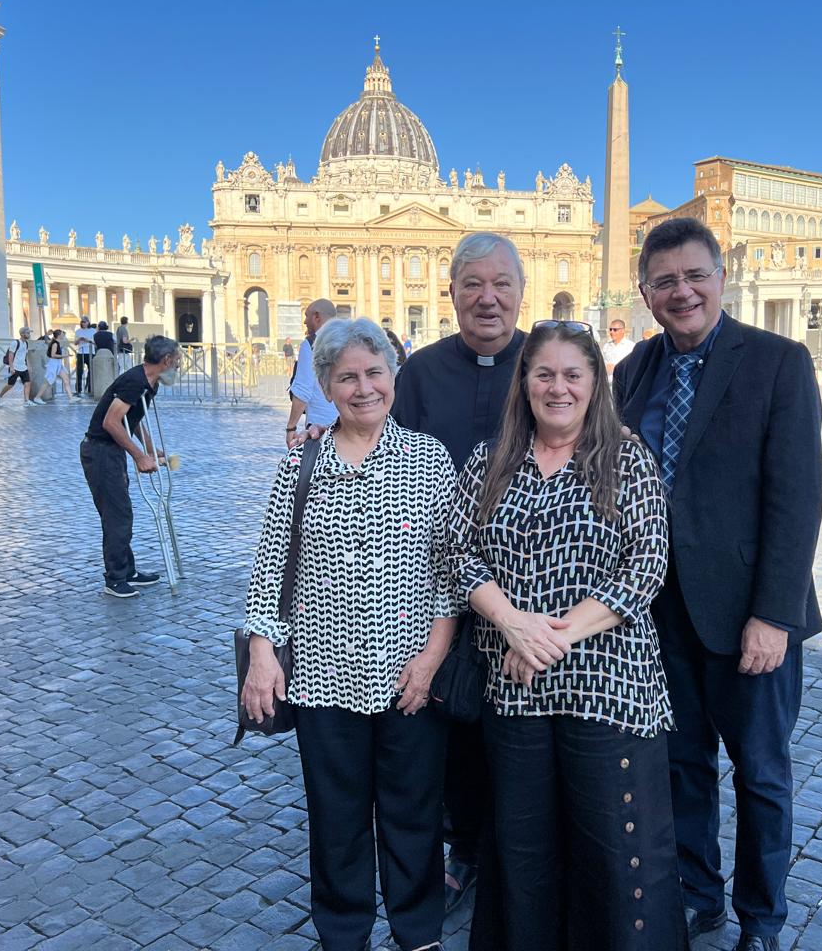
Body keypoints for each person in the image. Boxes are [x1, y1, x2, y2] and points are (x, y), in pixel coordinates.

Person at [613, 218, 822, 951]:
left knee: (761, 773)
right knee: (681, 764)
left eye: (695, 275)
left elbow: (796, 499)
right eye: (665, 281)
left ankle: (762, 919)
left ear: (720, 277)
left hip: (747, 614)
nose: (683, 291)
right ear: (646, 292)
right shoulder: (633, 370)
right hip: (659, 611)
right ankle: (698, 894)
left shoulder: (778, 361)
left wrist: (774, 614)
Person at [447, 320, 686, 951]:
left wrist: (548, 639)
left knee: (616, 853)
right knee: (525, 854)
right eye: (544, 374)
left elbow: (646, 566)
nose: (558, 388)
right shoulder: (490, 460)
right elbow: (459, 552)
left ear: (593, 382)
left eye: (572, 375)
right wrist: (511, 624)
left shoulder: (625, 457)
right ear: (523, 383)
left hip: (609, 687)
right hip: (515, 690)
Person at [242, 318, 457, 951]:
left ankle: (418, 931)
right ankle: (343, 933)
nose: (363, 388)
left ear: (393, 376)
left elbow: (452, 575)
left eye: (374, 373)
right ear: (328, 387)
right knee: (336, 819)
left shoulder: (429, 458)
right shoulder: (302, 461)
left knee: (414, 815)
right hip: (320, 674)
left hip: (408, 675)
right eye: (347, 378)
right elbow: (271, 563)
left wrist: (432, 659)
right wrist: (261, 652)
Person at [391, 231, 528, 921]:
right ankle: (462, 847)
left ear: (521, 293)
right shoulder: (419, 374)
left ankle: (520, 850)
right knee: (450, 724)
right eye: (473, 284)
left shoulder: (546, 364)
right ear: (451, 293)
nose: (488, 298)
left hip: (528, 586)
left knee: (520, 725)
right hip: (436, 583)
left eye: (501, 283)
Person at [79, 335, 181, 598]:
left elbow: (131, 419)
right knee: (117, 514)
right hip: (100, 451)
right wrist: (139, 456)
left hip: (111, 450)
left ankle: (128, 571)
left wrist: (148, 447)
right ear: (166, 360)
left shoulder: (150, 383)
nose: (179, 365)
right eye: (177, 359)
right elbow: (112, 423)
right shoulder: (135, 382)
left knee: (121, 511)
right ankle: (114, 579)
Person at [286, 300, 340, 448]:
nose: (305, 321)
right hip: (347, 427)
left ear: (317, 317)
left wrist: (291, 427)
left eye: (307, 316)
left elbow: (303, 389)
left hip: (318, 427)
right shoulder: (348, 340)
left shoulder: (311, 344)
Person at [0, 327, 37, 405]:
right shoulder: (15, 343)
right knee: (10, 385)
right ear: (22, 334)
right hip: (15, 367)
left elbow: (25, 355)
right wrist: (11, 367)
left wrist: (28, 365)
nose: (29, 334)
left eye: (29, 333)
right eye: (27, 333)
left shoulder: (26, 343)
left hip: (23, 367)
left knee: (27, 383)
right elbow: (10, 355)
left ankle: (27, 401)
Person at [36, 329, 73, 404]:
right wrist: (65, 355)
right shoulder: (55, 344)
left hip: (58, 364)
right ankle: (37, 397)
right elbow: (53, 355)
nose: (63, 335)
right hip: (53, 364)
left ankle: (71, 398)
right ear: (59, 335)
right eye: (62, 334)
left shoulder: (56, 343)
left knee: (66, 379)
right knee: (47, 382)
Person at [75, 317, 97, 396]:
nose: (83, 323)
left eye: (85, 322)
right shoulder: (78, 331)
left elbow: (95, 342)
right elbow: (75, 343)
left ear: (88, 322)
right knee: (79, 371)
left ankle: (90, 389)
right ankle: (78, 389)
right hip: (81, 352)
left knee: (91, 371)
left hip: (90, 352)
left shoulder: (93, 331)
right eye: (82, 322)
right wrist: (79, 340)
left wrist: (87, 340)